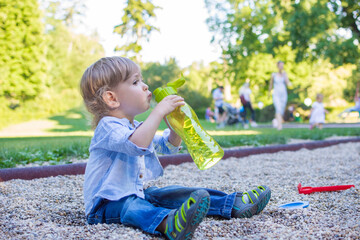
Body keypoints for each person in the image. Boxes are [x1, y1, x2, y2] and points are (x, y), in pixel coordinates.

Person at [80, 56, 271, 240]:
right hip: (104, 206)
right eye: (136, 82)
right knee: (130, 206)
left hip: (133, 193)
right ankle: (168, 224)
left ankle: (232, 204)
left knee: (169, 193)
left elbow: (168, 147)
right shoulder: (107, 126)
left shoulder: (135, 127)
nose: (146, 86)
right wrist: (158, 111)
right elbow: (137, 144)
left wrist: (176, 126)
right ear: (112, 98)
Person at [269, 61, 292, 130]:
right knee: (278, 108)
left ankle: (275, 120)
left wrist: (289, 83)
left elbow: (288, 83)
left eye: (283, 65)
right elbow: (271, 84)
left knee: (281, 109)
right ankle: (279, 126)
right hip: (276, 93)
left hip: (283, 94)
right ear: (278, 66)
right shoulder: (273, 75)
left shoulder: (284, 74)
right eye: (280, 65)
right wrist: (269, 93)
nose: (281, 67)